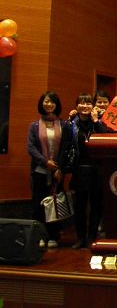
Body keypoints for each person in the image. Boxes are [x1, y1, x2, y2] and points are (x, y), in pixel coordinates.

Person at [27, 91, 73, 248]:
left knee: (55, 203)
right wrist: (46, 162)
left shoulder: (64, 125)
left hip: (57, 171)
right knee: (39, 204)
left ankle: (54, 236)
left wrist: (59, 168)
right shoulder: (34, 126)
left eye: (52, 101)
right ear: (41, 103)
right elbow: (31, 148)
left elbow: (66, 148)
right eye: (46, 101)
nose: (49, 104)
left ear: (56, 105)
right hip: (40, 171)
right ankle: (40, 236)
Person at [68, 93, 108, 249]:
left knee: (96, 205)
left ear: (93, 106)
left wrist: (96, 120)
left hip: (97, 169)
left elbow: (105, 137)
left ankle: (92, 236)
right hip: (79, 169)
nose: (85, 106)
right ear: (76, 106)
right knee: (80, 206)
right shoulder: (71, 124)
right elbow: (65, 146)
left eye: (88, 103)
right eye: (81, 103)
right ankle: (80, 237)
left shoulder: (98, 123)